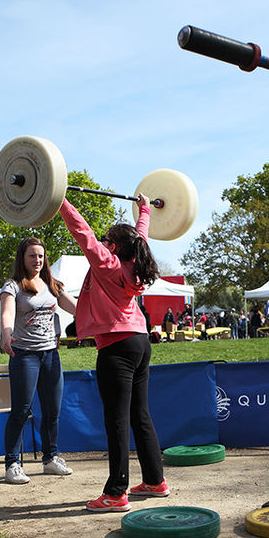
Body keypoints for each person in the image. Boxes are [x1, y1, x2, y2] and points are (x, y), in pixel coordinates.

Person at [58, 195, 169, 512]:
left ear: (115, 247)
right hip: (139, 342)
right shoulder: (136, 263)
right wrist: (144, 209)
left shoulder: (108, 265)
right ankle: (154, 481)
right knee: (139, 415)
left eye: (107, 240)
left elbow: (83, 233)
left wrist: (59, 199)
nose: (102, 243)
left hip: (117, 348)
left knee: (117, 421)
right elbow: (141, 234)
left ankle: (116, 492)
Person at [0, 237, 78, 484]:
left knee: (52, 409)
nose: (37, 260)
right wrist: (6, 333)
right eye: (32, 255)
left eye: (41, 256)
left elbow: (76, 307)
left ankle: (50, 458)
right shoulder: (12, 286)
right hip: (24, 355)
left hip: (51, 355)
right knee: (21, 410)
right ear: (22, 257)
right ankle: (12, 463)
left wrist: (101, 313)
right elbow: (7, 312)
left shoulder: (52, 285)